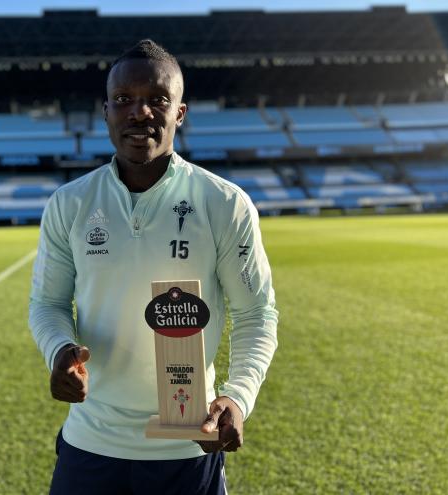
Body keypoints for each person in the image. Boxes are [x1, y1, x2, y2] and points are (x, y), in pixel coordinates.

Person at [29, 39, 278, 495]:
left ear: (179, 113)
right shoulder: (70, 204)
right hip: (91, 442)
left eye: (157, 99)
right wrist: (59, 349)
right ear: (106, 111)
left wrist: (238, 397)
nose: (140, 112)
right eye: (124, 100)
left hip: (187, 447)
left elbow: (256, 315)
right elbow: (47, 302)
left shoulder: (224, 204)